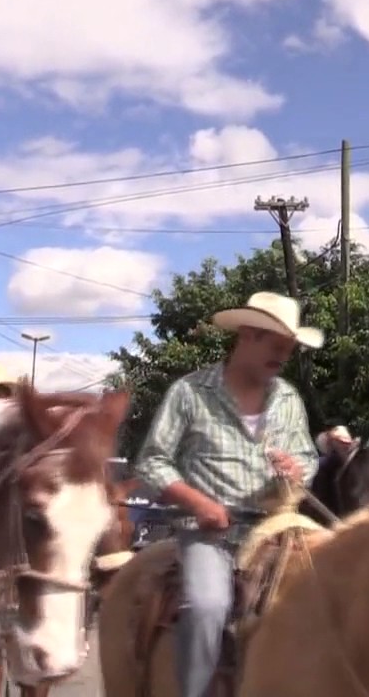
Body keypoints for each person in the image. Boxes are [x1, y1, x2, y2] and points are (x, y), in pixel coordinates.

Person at [133, 291, 321, 697]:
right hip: (210, 533)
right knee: (207, 606)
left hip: (276, 529)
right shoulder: (189, 392)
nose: (282, 357)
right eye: (276, 346)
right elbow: (151, 462)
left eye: (288, 350)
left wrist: (297, 468)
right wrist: (199, 503)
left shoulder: (288, 399)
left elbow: (307, 456)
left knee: (326, 598)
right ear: (247, 335)